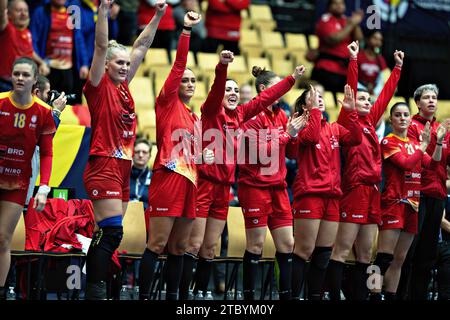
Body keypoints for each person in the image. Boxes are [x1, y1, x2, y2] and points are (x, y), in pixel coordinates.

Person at [179, 57, 307, 300]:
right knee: (194, 245)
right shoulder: (212, 110)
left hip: (224, 188)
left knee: (210, 248)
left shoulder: (240, 115)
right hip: (205, 184)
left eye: (236, 90)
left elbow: (264, 99)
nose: (233, 93)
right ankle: (184, 297)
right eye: (229, 89)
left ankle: (201, 294)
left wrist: (292, 79)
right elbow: (218, 89)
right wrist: (223, 66)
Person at [82, 0, 167, 299]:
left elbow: (141, 46)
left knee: (106, 235)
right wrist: (102, 13)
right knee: (113, 232)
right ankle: (95, 291)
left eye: (126, 64)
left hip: (122, 169)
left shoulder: (123, 88)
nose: (124, 66)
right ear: (106, 66)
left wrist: (158, 15)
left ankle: (95, 283)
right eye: (119, 63)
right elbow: (101, 45)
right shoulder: (98, 85)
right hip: (103, 164)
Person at [137, 11, 213, 301]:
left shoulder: (194, 118)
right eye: (186, 80)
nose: (190, 84)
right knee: (157, 244)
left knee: (179, 248)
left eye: (194, 81)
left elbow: (190, 153)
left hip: (190, 183)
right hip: (168, 179)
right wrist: (186, 31)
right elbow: (179, 64)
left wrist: (200, 156)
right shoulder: (166, 103)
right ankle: (144, 296)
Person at [326, 41, 404, 301]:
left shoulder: (370, 122)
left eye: (367, 99)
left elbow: (385, 96)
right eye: (361, 98)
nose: (367, 101)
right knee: (342, 249)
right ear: (350, 101)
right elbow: (352, 88)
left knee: (365, 255)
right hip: (355, 190)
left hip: (372, 192)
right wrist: (353, 60)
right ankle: (332, 295)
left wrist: (397, 69)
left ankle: (362, 297)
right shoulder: (346, 121)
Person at [236, 66, 308, 301]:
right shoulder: (250, 117)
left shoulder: (281, 115)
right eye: (278, 87)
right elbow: (260, 155)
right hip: (254, 186)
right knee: (255, 246)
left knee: (287, 245)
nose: (283, 92)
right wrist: (287, 134)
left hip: (278, 187)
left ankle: (285, 297)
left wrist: (296, 134)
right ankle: (249, 300)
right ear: (264, 89)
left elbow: (292, 153)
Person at [291, 84, 361, 300]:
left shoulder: (333, 128)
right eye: (314, 97)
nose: (319, 99)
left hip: (332, 196)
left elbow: (356, 138)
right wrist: (313, 112)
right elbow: (311, 138)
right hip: (310, 194)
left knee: (323, 254)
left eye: (321, 96)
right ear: (305, 105)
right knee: (303, 251)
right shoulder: (299, 126)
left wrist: (350, 112)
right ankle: (292, 296)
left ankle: (314, 297)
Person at [371, 103, 445, 300]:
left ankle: (391, 296)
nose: (403, 118)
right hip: (394, 203)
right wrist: (423, 145)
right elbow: (406, 164)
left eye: (405, 114)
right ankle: (374, 295)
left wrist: (437, 143)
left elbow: (433, 164)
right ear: (391, 120)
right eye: (398, 115)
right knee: (384, 257)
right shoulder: (388, 141)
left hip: (412, 205)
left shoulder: (414, 144)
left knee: (400, 259)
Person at [0, 57, 56, 300]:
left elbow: (47, 152)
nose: (19, 78)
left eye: (25, 75)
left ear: (35, 80)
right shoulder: (0, 102)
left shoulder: (43, 112)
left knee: (3, 238)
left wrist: (44, 186)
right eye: (16, 74)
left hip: (17, 183)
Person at [397, 84, 450, 300]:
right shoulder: (410, 126)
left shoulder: (444, 130)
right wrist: (434, 142)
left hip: (437, 195)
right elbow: (415, 158)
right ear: (417, 103)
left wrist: (440, 139)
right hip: (416, 194)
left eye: (434, 97)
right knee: (409, 251)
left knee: (428, 255)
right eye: (426, 97)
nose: (431, 100)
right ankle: (400, 295)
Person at [30, 0, 89, 96]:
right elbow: (33, 40)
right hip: (47, 68)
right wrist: (39, 63)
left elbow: (79, 39)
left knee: (67, 103)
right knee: (47, 102)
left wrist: (84, 64)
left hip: (69, 69)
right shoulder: (41, 11)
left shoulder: (73, 13)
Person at [26, 74, 67, 205]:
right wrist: (56, 112)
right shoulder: (31, 111)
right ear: (37, 92)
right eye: (48, 93)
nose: (50, 97)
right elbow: (41, 140)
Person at [311, 0, 363, 99]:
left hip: (344, 70)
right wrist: (351, 25)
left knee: (344, 100)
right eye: (336, 3)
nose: (339, 6)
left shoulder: (347, 21)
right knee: (325, 99)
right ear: (329, 6)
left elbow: (359, 40)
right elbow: (333, 39)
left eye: (342, 3)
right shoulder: (325, 20)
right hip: (327, 69)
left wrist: (356, 24)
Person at [0, 0, 49, 92]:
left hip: (23, 85)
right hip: (4, 84)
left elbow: (30, 51)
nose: (23, 14)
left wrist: (42, 63)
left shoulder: (27, 33)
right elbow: (1, 11)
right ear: (8, 14)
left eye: (26, 10)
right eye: (19, 10)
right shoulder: (6, 29)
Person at [358, 30, 388, 96]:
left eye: (380, 40)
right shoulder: (359, 56)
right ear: (368, 39)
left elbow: (385, 76)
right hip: (359, 88)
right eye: (375, 38)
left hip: (375, 91)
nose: (378, 42)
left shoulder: (380, 59)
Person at [130, 138, 152, 209]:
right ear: (132, 154)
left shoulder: (154, 178)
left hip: (146, 217)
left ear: (149, 156)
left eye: (144, 152)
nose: (140, 155)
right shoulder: (123, 175)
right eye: (137, 152)